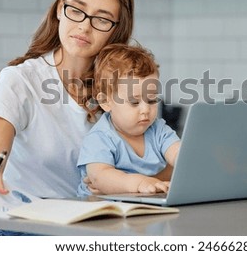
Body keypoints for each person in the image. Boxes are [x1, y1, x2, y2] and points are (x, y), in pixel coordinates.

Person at [0, 0, 136, 208]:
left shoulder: (119, 90)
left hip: (95, 221)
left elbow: (143, 162)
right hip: (27, 222)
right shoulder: (20, 79)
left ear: (116, 30)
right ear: (59, 9)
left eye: (102, 19)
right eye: (76, 10)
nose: (84, 26)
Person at [77, 43, 181, 197]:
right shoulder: (100, 138)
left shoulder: (158, 130)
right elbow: (100, 176)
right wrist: (139, 183)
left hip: (142, 207)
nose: (146, 110)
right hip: (100, 213)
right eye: (134, 102)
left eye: (152, 100)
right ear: (106, 102)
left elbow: (179, 154)